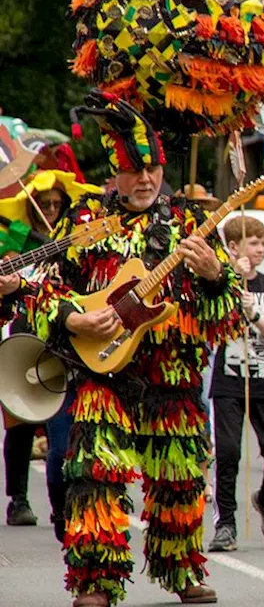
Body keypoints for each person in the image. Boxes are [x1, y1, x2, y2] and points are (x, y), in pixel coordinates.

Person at [27, 92, 242, 605]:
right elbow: (43, 291)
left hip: (174, 378)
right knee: (94, 477)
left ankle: (181, 569)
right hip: (103, 375)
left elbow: (229, 307)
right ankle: (96, 582)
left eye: (152, 169)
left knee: (180, 480)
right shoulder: (83, 221)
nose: (145, 179)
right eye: (132, 170)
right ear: (114, 173)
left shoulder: (191, 223)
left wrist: (213, 275)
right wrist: (74, 316)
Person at [0, 170, 96, 530]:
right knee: (20, 426)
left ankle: (63, 505)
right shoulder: (12, 240)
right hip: (23, 344)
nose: (53, 209)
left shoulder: (70, 245)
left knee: (60, 441)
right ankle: (18, 499)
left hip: (60, 350)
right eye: (45, 204)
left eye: (58, 204)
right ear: (32, 205)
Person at [206, 216, 264, 552]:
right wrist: (232, 281)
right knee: (227, 454)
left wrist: (254, 315)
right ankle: (226, 523)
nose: (260, 250)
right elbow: (210, 321)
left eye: (263, 243)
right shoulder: (219, 282)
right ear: (234, 246)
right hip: (228, 380)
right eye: (254, 243)